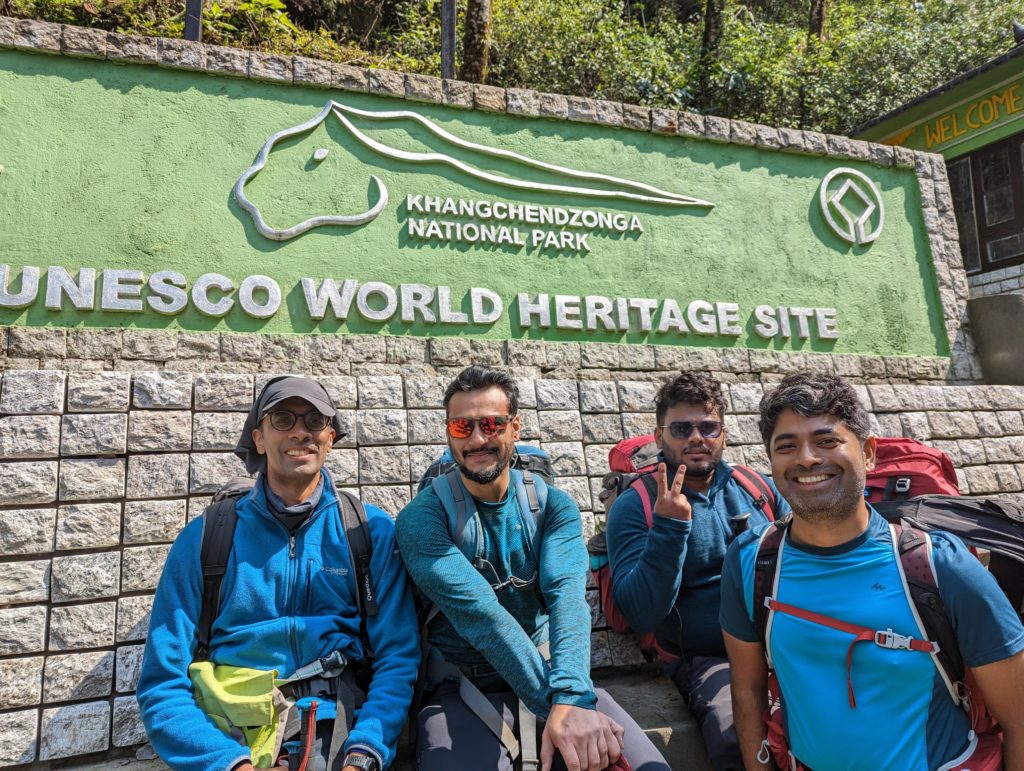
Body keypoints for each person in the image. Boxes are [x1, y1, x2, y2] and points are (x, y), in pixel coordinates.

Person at [720, 373, 1024, 770]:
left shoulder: (939, 566)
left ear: (867, 453)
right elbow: (747, 690)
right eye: (787, 446)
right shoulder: (751, 560)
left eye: (827, 441)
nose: (807, 458)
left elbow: (1018, 719)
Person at [395, 365, 670, 771]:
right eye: (462, 426)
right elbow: (482, 616)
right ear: (448, 432)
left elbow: (567, 600)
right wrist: (566, 708)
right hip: (462, 684)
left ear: (515, 427)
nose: (477, 438)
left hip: (552, 673)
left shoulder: (554, 507)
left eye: (491, 423)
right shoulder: (421, 519)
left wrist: (573, 696)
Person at [137, 376, 419, 771]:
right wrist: (228, 763)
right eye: (283, 419)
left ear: (331, 436)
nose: (300, 432)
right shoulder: (204, 538)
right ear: (258, 438)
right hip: (226, 734)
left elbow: (397, 657)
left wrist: (364, 752)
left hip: (334, 726)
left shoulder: (368, 532)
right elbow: (162, 682)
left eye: (314, 420)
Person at [605, 372, 790, 771]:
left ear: (722, 432)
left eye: (708, 427)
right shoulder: (636, 505)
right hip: (708, 659)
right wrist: (670, 528)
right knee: (736, 741)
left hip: (781, 645)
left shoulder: (756, 486)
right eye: (681, 428)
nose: (696, 437)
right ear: (659, 436)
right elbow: (641, 611)